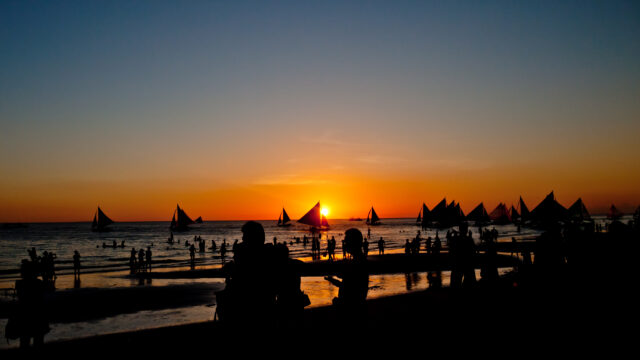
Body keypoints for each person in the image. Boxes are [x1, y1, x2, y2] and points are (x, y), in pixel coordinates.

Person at [217, 221, 278, 329]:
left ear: (252, 237)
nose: (243, 239)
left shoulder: (245, 254)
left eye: (245, 236)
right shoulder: (269, 254)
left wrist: (232, 268)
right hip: (267, 306)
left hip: (247, 308)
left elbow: (242, 280)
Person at [325, 228, 369, 326]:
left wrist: (340, 304)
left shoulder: (358, 263)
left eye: (347, 241)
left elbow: (353, 290)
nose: (345, 243)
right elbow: (347, 285)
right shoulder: (359, 261)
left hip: (351, 312)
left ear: (353, 242)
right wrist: (332, 280)